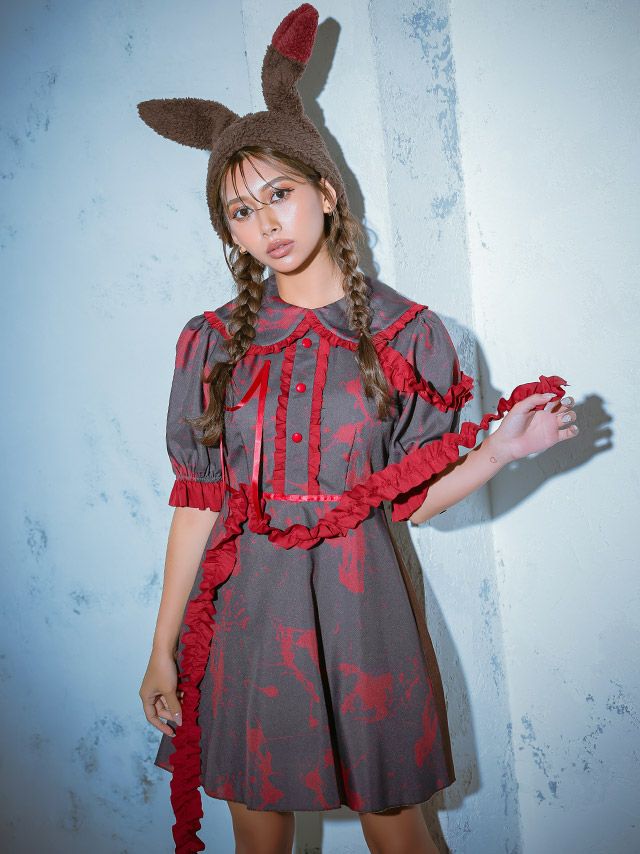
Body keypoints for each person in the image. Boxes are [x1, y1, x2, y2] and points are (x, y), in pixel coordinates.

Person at [137, 5, 578, 853]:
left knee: (399, 832)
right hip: (243, 616)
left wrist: (502, 449)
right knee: (257, 837)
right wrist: (162, 648)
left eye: (279, 194)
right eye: (239, 211)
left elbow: (409, 500)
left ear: (325, 191)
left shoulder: (411, 334)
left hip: (363, 613)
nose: (265, 224)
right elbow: (196, 504)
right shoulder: (209, 341)